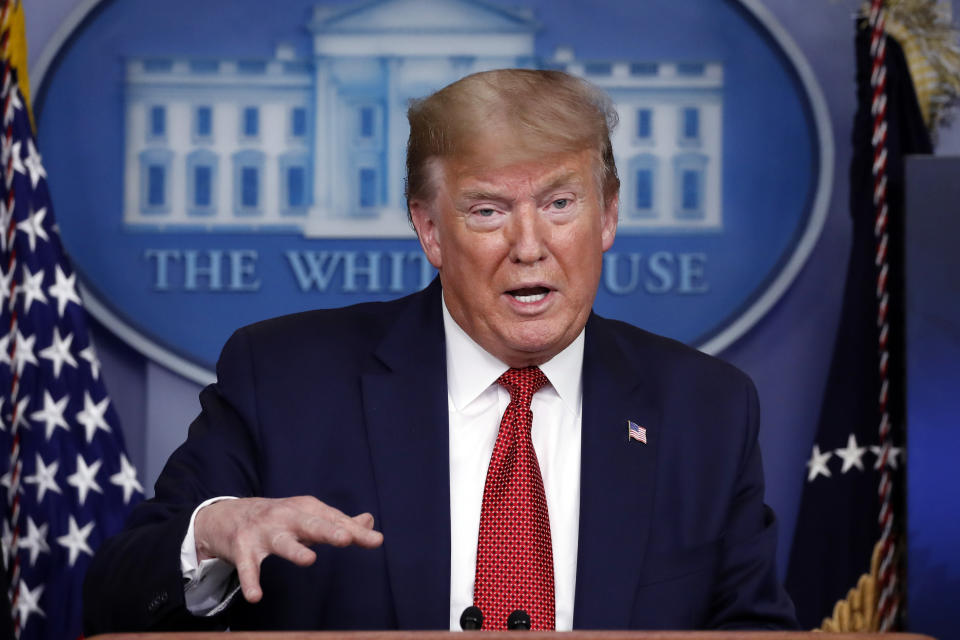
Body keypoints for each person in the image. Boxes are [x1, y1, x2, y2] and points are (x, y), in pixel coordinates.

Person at [83, 69, 798, 632]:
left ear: (607, 214)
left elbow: (752, 629)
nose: (529, 246)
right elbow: (114, 595)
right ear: (429, 230)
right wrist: (210, 534)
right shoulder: (286, 379)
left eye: (559, 203)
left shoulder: (705, 408)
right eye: (487, 210)